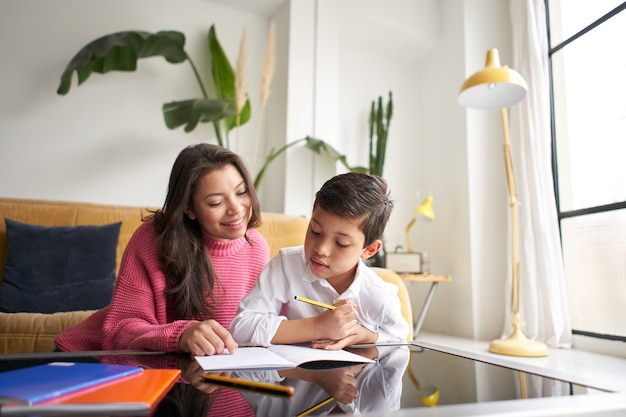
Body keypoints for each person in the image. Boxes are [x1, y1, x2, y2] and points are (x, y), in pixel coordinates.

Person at [55, 143, 269, 358]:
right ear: (189, 209)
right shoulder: (153, 239)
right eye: (216, 202)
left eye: (241, 192)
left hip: (186, 373)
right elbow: (119, 330)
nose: (236, 208)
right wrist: (180, 334)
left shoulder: (257, 247)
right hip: (88, 360)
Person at [230, 172, 409, 350]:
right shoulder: (286, 266)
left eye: (341, 243)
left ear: (368, 250)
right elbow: (241, 327)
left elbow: (400, 339)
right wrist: (318, 327)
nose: (321, 249)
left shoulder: (380, 295)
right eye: (315, 231)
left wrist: (364, 335)